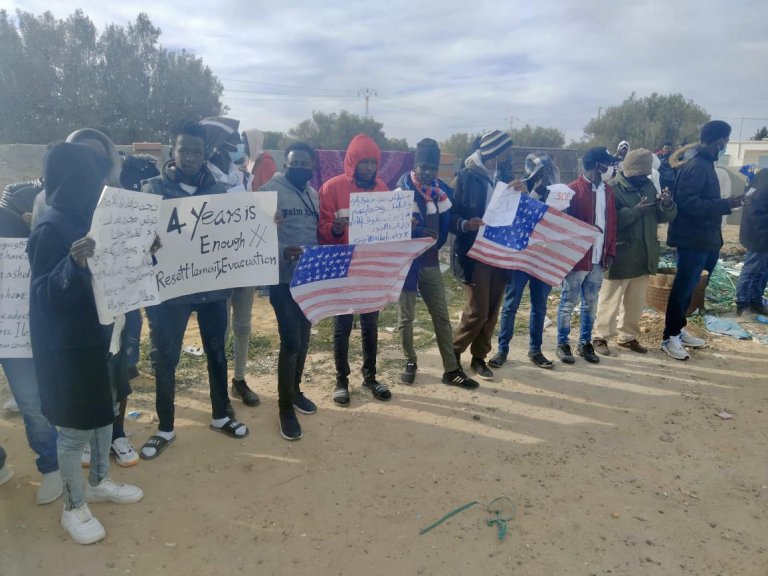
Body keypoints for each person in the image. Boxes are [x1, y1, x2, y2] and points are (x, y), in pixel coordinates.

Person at [27, 142, 143, 545]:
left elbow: (115, 264)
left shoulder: (93, 219)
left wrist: (145, 251)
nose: (100, 189)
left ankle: (98, 482)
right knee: (74, 430)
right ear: (72, 181)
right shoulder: (50, 227)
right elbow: (43, 295)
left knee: (104, 412)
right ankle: (73, 506)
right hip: (68, 349)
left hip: (101, 338)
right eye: (93, 181)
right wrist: (72, 265)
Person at [140, 121, 248, 460]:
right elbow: (134, 238)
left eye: (196, 151)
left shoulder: (218, 192)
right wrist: (146, 241)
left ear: (205, 154)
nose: (190, 157)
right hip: (170, 293)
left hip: (212, 289)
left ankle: (220, 416)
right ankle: (165, 428)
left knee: (217, 354)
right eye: (183, 150)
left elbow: (242, 228)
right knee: (166, 358)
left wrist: (265, 221)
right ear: (173, 151)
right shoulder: (151, 190)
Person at [397, 138, 478, 389]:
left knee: (441, 318)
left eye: (432, 168)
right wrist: (414, 228)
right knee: (406, 318)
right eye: (424, 167)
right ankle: (410, 361)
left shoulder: (441, 191)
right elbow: (391, 226)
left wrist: (465, 225)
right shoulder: (401, 192)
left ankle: (451, 370)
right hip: (408, 264)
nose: (428, 173)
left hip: (431, 262)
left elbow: (450, 219)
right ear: (415, 165)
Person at [318, 133, 392, 406]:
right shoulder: (331, 188)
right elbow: (322, 230)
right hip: (342, 267)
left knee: (370, 325)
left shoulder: (383, 189)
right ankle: (341, 380)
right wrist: (333, 230)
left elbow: (388, 230)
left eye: (373, 162)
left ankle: (370, 377)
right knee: (342, 327)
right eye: (364, 162)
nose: (369, 168)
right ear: (352, 161)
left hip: (370, 268)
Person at [662, 120, 744, 360]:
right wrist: (725, 205)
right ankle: (669, 337)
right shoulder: (697, 166)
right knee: (682, 289)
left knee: (690, 290)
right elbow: (688, 203)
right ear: (719, 141)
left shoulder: (705, 164)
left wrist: (726, 205)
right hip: (692, 240)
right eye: (726, 142)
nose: (726, 146)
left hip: (705, 239)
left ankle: (679, 328)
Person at [0, 205, 62, 504]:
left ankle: (52, 465)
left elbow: (34, 266)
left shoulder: (8, 219)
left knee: (31, 401)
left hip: (14, 333)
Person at [260, 142, 320, 440]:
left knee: (305, 339)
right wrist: (284, 251)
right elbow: (255, 236)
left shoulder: (314, 195)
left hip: (308, 281)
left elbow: (315, 234)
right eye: (294, 162)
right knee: (291, 342)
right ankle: (284, 410)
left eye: (305, 163)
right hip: (282, 281)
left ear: (311, 166)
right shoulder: (268, 192)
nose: (300, 168)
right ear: (286, 164)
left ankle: (295, 391)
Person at [200, 116, 261, 410]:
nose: (239, 146)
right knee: (220, 327)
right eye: (233, 141)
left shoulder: (243, 177)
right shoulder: (203, 178)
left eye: (239, 141)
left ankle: (239, 379)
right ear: (216, 146)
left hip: (246, 261)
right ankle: (219, 381)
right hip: (218, 266)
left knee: (243, 324)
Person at [592, 149, 677, 355]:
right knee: (610, 298)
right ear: (630, 171)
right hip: (621, 255)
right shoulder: (612, 189)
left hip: (644, 253)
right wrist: (635, 212)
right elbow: (610, 221)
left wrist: (666, 204)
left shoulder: (647, 186)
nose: (643, 178)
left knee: (635, 300)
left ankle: (627, 337)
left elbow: (661, 216)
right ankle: (600, 337)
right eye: (639, 175)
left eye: (645, 175)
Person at [450, 129, 515, 381]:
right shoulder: (466, 177)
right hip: (475, 251)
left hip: (500, 250)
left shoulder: (503, 176)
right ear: (495, 151)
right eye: (505, 150)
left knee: (492, 308)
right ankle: (453, 353)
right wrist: (466, 224)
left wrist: (521, 188)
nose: (509, 154)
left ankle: (479, 357)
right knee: (477, 310)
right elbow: (452, 216)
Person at [489, 152, 561, 370]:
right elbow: (510, 216)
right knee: (511, 305)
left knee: (539, 307)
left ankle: (535, 350)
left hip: (544, 257)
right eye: (541, 172)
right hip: (521, 255)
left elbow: (558, 220)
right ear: (533, 172)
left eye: (548, 172)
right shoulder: (519, 189)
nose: (544, 177)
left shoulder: (558, 193)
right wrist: (526, 195)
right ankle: (502, 349)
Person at [555, 147, 619, 364]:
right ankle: (562, 344)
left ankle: (584, 343)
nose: (610, 167)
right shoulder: (572, 191)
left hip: (599, 258)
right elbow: (563, 226)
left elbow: (612, 223)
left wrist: (610, 251)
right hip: (578, 259)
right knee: (568, 302)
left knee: (590, 303)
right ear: (597, 165)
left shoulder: (608, 192)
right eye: (607, 163)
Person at [735, 170, 768, 318]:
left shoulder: (761, 175)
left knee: (763, 270)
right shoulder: (764, 178)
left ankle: (756, 301)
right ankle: (742, 304)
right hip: (759, 230)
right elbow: (755, 205)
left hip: (758, 230)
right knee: (752, 268)